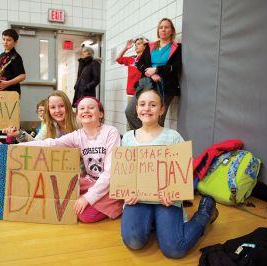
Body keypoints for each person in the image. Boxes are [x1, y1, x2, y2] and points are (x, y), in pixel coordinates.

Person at [120, 81, 218, 258]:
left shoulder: (173, 137)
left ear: (161, 109)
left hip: (166, 200)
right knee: (134, 241)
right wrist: (126, 194)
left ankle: (205, 212)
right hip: (138, 199)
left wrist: (175, 193)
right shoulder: (127, 138)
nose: (147, 109)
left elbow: (184, 174)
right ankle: (154, 223)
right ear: (136, 109)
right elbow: (124, 175)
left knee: (175, 249)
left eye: (153, 105)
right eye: (142, 104)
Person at [1, 96, 123, 223]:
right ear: (78, 115)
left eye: (91, 108)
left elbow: (111, 171)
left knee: (84, 216)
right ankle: (91, 199)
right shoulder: (77, 135)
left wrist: (87, 198)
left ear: (101, 114)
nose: (86, 110)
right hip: (89, 180)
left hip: (110, 184)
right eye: (82, 108)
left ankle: (116, 204)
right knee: (56, 193)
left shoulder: (110, 132)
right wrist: (14, 147)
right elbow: (50, 144)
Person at [126, 18, 182, 129]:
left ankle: (156, 142)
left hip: (166, 86)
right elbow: (140, 63)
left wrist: (157, 70)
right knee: (130, 112)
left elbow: (176, 67)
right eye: (161, 27)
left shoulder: (177, 48)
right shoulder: (151, 46)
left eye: (166, 27)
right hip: (146, 83)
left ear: (172, 31)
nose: (163, 29)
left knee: (159, 118)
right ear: (158, 31)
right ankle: (145, 134)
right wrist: (151, 74)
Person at [0, 28, 26, 142]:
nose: (5, 42)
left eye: (9, 40)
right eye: (4, 39)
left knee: (10, 122)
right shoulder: (1, 55)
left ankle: (8, 148)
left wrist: (7, 84)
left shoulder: (16, 57)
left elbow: (22, 76)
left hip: (11, 93)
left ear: (15, 42)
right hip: (0, 92)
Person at [2, 91, 77, 143]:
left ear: (67, 106)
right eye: (53, 107)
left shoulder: (78, 122)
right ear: (48, 110)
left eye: (61, 106)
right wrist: (18, 134)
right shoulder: (48, 126)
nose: (57, 110)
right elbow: (35, 143)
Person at [116, 37, 151, 129]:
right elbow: (118, 59)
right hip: (131, 92)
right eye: (135, 45)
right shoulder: (132, 58)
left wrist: (148, 44)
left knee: (141, 117)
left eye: (139, 44)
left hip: (143, 91)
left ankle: (142, 137)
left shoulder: (148, 58)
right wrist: (126, 48)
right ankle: (129, 140)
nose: (136, 46)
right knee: (130, 118)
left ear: (145, 45)